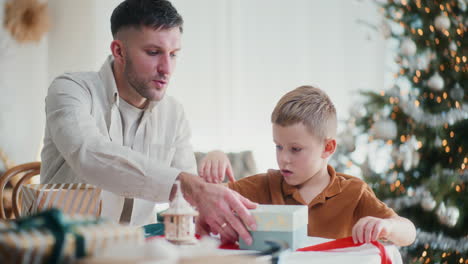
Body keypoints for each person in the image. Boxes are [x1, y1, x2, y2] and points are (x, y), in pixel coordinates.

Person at [40, 0, 256, 245]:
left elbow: (188, 202)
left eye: (173, 55)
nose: (167, 68)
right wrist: (185, 185)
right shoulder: (70, 90)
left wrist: (207, 206)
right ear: (119, 51)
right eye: (154, 53)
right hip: (66, 249)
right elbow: (90, 155)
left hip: (141, 252)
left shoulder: (174, 113)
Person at [198, 85, 416, 246]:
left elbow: (409, 232)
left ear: (328, 148)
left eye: (295, 149)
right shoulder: (264, 186)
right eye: (278, 146)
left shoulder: (354, 192)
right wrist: (215, 156)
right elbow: (204, 198)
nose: (283, 158)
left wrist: (388, 227)